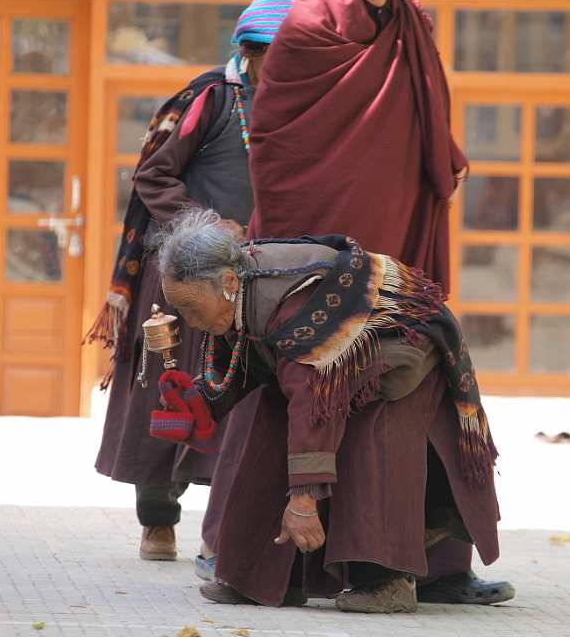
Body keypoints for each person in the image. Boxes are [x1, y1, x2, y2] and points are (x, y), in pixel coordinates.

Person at [200, 0, 515, 605]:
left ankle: (430, 566)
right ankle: (252, 556)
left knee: (414, 383)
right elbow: (277, 150)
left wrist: (439, 154)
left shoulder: (412, 27)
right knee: (302, 387)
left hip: (396, 249)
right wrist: (307, 260)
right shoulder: (308, 29)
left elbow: (417, 128)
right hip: (318, 262)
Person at [154, 209, 502, 612]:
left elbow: (314, 404)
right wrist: (196, 404)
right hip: (327, 366)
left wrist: (303, 501)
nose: (190, 322)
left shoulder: (292, 306)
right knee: (270, 416)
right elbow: (246, 368)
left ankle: (387, 582)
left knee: (369, 433)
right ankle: (260, 578)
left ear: (228, 283)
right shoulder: (237, 288)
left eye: (192, 308)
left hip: (399, 349)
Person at [85, 0, 295, 562]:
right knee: (167, 391)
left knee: (246, 398)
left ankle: (228, 531)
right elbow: (152, 175)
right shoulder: (212, 97)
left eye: (285, 54)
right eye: (263, 54)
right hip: (182, 276)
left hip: (253, 282)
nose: (272, 65)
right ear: (246, 52)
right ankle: (158, 522)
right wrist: (207, 225)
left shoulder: (301, 107)